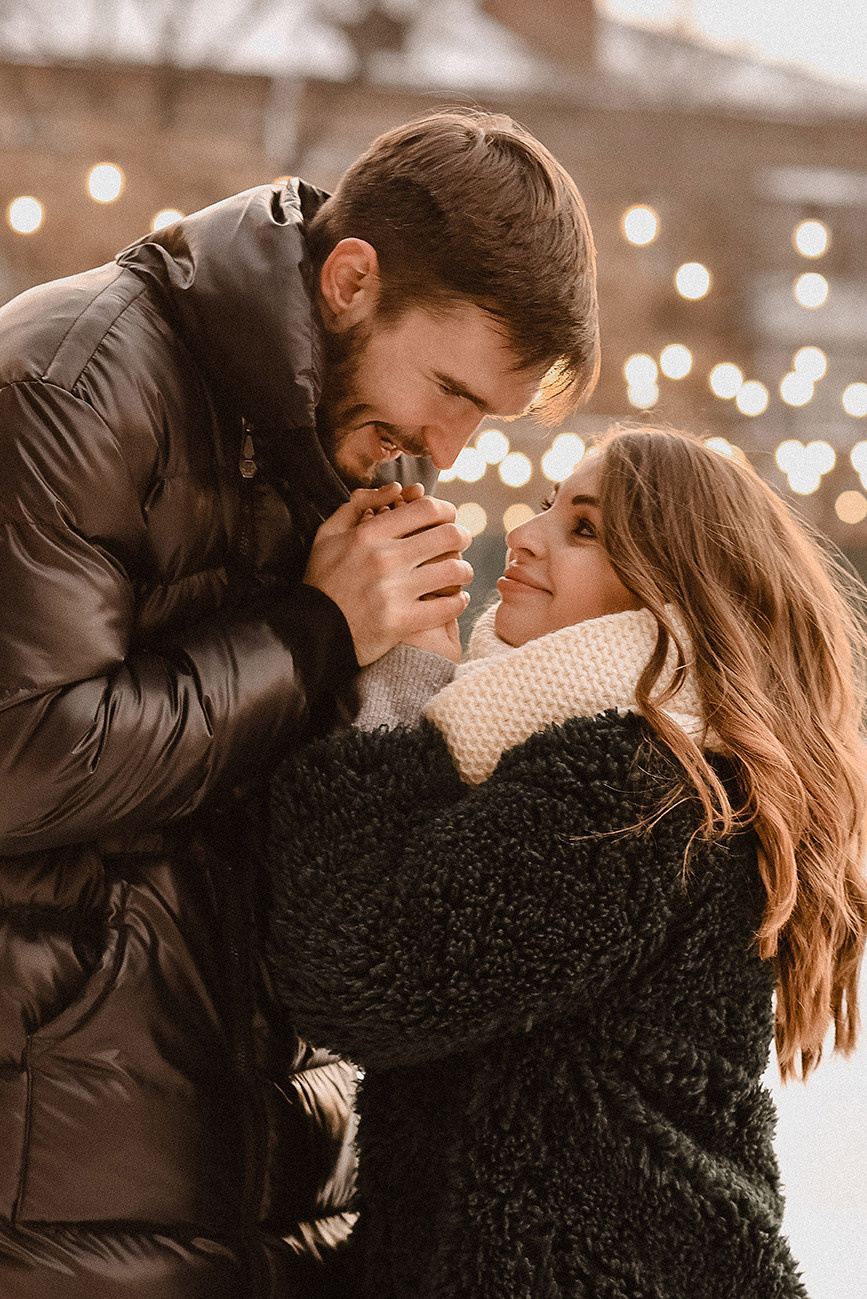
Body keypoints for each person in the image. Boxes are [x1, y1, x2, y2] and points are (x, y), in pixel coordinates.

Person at [0, 109, 599, 1297]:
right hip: (60, 1197)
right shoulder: (72, 383)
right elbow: (23, 756)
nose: (448, 448)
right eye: (447, 389)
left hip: (269, 1183)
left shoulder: (339, 445)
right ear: (351, 279)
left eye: (481, 414)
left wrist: (405, 682)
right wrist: (317, 633)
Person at [265, 425, 867, 1299]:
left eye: (583, 528)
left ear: (668, 588)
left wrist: (395, 695)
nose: (524, 532)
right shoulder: (635, 767)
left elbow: (366, 969)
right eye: (548, 506)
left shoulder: (630, 790)